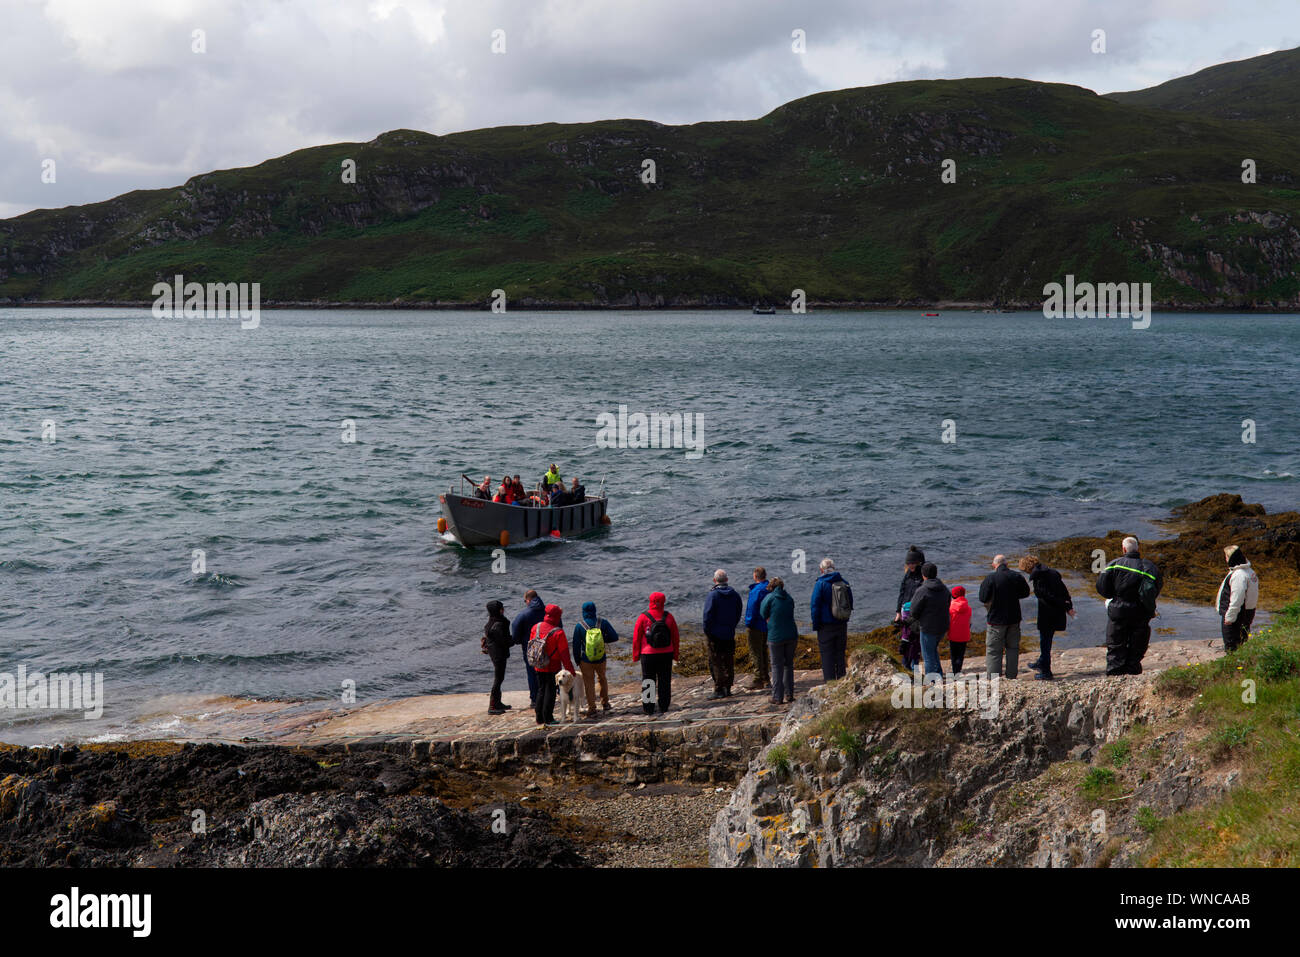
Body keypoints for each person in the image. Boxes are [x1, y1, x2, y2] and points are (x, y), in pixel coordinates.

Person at [1096, 536, 1164, 676]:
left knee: (1115, 643)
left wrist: (1113, 597)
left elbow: (1102, 587)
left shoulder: (1114, 564)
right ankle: (1132, 670)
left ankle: (1115, 673)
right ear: (1138, 549)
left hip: (1118, 609)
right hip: (1141, 611)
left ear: (1124, 549)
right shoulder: (1150, 567)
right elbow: (1157, 588)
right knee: (1138, 643)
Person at [1020, 555, 1075, 681]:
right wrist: (1068, 606)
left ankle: (1046, 671)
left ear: (1028, 568)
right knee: (1046, 639)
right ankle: (1041, 662)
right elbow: (1064, 591)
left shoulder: (1039, 579)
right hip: (1057, 612)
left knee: (1045, 642)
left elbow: (1048, 596)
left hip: (1048, 614)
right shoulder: (1052, 572)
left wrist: (1064, 605)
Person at [979, 553, 1030, 678]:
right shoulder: (1017, 576)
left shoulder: (990, 578)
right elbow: (1026, 593)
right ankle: (1011, 675)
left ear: (994, 565)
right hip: (1014, 618)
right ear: (1007, 564)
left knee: (994, 650)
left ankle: (994, 677)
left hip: (996, 620)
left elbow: (983, 598)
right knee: (1012, 648)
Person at [633, 592, 679, 716]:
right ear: (664, 602)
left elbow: (636, 638)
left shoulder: (643, 617)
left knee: (648, 680)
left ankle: (649, 708)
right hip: (666, 653)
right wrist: (676, 654)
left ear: (650, 601)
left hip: (648, 654)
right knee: (665, 680)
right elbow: (675, 637)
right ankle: (664, 706)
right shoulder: (669, 617)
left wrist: (636, 655)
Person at [571, 601, 619, 718]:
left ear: (583, 612)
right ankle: (605, 703)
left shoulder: (579, 626)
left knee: (589, 684)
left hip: (586, 660)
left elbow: (576, 645)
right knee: (602, 679)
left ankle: (592, 708)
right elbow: (615, 637)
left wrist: (577, 660)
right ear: (595, 610)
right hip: (601, 658)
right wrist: (602, 640)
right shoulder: (602, 622)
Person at [528, 604, 572, 725]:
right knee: (550, 691)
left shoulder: (535, 627)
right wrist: (570, 672)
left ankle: (539, 718)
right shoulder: (558, 632)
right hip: (553, 667)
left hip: (538, 664)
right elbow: (565, 656)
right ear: (557, 616)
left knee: (541, 689)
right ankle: (548, 718)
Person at [703, 569, 744, 698]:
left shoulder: (713, 595)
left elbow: (707, 616)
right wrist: (732, 626)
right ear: (726, 580)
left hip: (715, 634)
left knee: (716, 661)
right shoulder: (735, 595)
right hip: (729, 632)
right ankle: (727, 687)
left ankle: (718, 689)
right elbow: (738, 612)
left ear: (715, 581)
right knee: (728, 661)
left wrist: (708, 631)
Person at [810, 558, 853, 681]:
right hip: (841, 623)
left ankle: (829, 684)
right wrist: (845, 619)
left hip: (825, 626)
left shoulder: (820, 584)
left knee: (827, 656)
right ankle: (841, 682)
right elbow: (850, 603)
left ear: (821, 570)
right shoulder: (844, 582)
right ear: (834, 568)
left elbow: (814, 606)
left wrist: (816, 625)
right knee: (840, 654)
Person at [907, 562, 952, 679]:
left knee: (928, 655)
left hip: (928, 627)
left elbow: (913, 611)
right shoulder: (944, 588)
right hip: (942, 626)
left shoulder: (922, 590)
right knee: (932, 650)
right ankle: (938, 675)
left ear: (923, 575)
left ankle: (931, 681)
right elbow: (948, 604)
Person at [761, 577, 798, 706]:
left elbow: (762, 612)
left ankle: (777, 697)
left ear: (771, 587)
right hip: (791, 635)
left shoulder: (770, 598)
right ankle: (789, 694)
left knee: (776, 666)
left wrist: (769, 620)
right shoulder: (789, 598)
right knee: (788, 665)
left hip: (775, 636)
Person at [1216, 545, 1260, 653]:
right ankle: (1240, 664)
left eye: (1226, 557)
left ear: (1231, 558)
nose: (1225, 559)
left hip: (1236, 615)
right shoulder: (1249, 572)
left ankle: (1234, 667)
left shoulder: (1239, 575)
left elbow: (1237, 599)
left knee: (1232, 646)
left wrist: (1230, 617)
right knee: (1241, 642)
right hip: (1246, 612)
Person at [511, 589, 546, 706]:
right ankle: (547, 695)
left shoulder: (523, 615)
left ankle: (535, 699)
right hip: (547, 646)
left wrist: (518, 641)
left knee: (532, 673)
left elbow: (515, 629)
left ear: (528, 600)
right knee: (548, 671)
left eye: (525, 600)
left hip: (530, 648)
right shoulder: (547, 611)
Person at [894, 547, 926, 669]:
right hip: (905, 612)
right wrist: (898, 612)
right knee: (905, 641)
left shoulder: (922, 575)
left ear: (918, 562)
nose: (911, 566)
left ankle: (914, 667)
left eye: (913, 563)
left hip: (916, 614)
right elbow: (901, 593)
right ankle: (906, 667)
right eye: (909, 563)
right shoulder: (907, 575)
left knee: (915, 643)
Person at [482, 600, 514, 714]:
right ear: (497, 610)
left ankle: (497, 702)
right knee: (498, 678)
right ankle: (492, 706)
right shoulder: (498, 624)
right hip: (498, 654)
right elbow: (503, 641)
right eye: (501, 608)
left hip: (495, 652)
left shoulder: (493, 621)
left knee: (500, 677)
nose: (503, 610)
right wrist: (513, 640)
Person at [744, 567, 771, 691]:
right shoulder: (769, 588)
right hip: (766, 624)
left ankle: (758, 679)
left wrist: (748, 623)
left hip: (756, 625)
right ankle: (766, 678)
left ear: (755, 577)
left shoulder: (757, 591)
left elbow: (752, 608)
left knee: (755, 652)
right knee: (763, 651)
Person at [948, 585, 972, 674]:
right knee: (960, 655)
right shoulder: (968, 608)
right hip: (964, 635)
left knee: (953, 654)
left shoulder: (950, 607)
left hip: (953, 634)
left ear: (953, 595)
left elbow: (948, 620)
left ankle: (955, 671)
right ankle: (958, 670)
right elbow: (969, 622)